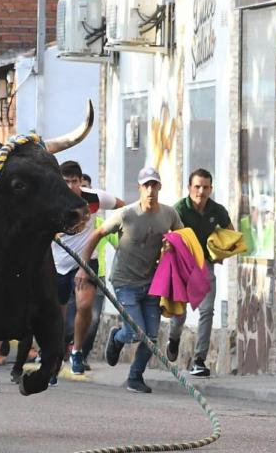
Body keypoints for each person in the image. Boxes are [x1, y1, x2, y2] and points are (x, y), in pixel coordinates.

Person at [82, 166, 183, 394]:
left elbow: (182, 239)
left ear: (159, 187)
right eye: (146, 185)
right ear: (139, 188)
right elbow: (97, 234)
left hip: (152, 283)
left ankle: (135, 377)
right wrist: (84, 267)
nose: (150, 190)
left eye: (154, 185)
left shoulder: (169, 215)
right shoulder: (126, 214)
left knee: (152, 337)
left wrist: (173, 247)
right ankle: (117, 338)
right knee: (135, 333)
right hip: (124, 282)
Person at [59, 161, 125, 375]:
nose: (70, 186)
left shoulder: (93, 198)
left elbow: (123, 207)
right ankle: (54, 353)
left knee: (85, 305)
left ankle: (77, 351)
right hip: (57, 263)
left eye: (74, 181)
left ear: (80, 182)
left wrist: (118, 231)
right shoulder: (51, 199)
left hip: (86, 261)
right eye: (65, 181)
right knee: (56, 315)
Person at [167, 169, 232, 378]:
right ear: (189, 188)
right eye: (197, 186)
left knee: (207, 311)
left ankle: (200, 360)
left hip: (206, 266)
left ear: (211, 189)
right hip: (182, 266)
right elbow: (168, 237)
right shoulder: (179, 210)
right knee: (180, 312)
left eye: (205, 187)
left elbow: (231, 234)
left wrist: (222, 251)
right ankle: (174, 338)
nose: (201, 191)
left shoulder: (217, 210)